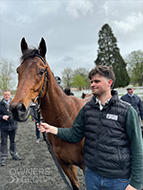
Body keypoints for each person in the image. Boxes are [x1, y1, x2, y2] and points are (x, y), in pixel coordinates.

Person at [38, 66, 143, 190]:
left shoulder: (127, 111)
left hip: (117, 179)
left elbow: (137, 147)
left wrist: (136, 183)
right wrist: (52, 129)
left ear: (109, 83)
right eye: (91, 82)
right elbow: (75, 134)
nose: (92, 84)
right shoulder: (87, 109)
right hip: (92, 176)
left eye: (97, 81)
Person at [0, 90, 21, 166]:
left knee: (13, 141)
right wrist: (2, 117)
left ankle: (14, 154)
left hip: (13, 126)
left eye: (8, 95)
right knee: (3, 143)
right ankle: (3, 157)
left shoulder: (14, 104)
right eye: (5, 95)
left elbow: (18, 114)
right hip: (3, 127)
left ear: (10, 95)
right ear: (3, 95)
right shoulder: (0, 104)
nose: (7, 96)